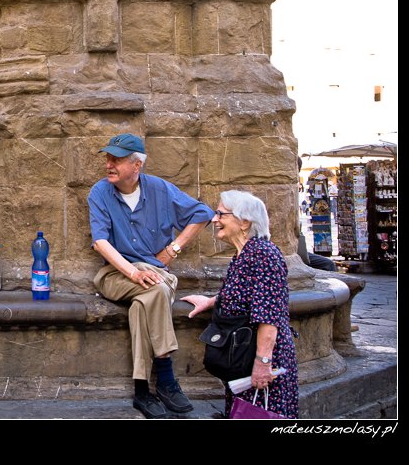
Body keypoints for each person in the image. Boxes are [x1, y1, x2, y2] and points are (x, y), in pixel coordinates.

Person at [88, 133, 214, 419]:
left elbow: (203, 213)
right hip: (116, 274)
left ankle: (142, 390)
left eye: (116, 159)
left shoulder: (159, 189)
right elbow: (101, 242)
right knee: (155, 292)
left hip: (156, 273)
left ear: (137, 165)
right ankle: (167, 378)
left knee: (146, 300)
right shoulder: (99, 192)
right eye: (107, 158)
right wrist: (133, 272)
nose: (108, 164)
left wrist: (173, 248)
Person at [182, 190, 300, 418]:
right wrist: (211, 301)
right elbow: (248, 294)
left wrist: (263, 363)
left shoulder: (263, 254)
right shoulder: (244, 254)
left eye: (221, 214)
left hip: (261, 358)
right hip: (244, 356)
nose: (214, 220)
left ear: (244, 222)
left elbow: (269, 314)